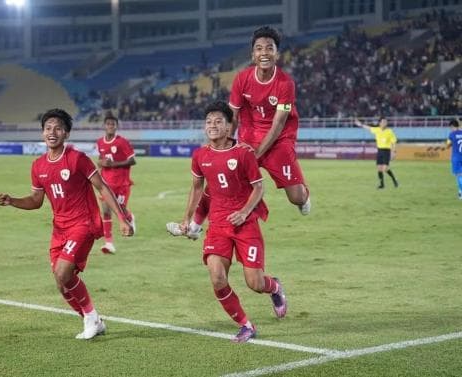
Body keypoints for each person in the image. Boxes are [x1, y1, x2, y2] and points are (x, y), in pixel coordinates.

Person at [0, 108, 133, 340]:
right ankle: (94, 321)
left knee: (63, 272)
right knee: (61, 283)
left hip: (84, 224)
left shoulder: (77, 159)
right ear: (42, 133)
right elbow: (36, 201)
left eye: (58, 128)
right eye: (48, 128)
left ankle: (90, 318)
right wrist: (13, 201)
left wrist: (122, 218)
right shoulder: (38, 166)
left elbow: (102, 187)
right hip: (60, 229)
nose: (52, 132)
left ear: (66, 134)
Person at [167, 26, 310, 240]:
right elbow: (233, 117)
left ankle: (305, 196)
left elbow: (279, 123)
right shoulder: (242, 79)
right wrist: (225, 146)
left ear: (276, 54)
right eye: (259, 49)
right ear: (253, 54)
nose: (264, 53)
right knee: (221, 177)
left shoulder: (285, 83)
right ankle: (194, 226)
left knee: (296, 198)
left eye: (269, 48)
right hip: (249, 138)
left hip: (280, 140)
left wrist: (258, 153)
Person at [173, 101, 287, 343]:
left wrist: (245, 212)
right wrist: (188, 220)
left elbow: (259, 188)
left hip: (245, 224)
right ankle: (246, 325)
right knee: (217, 277)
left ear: (229, 127)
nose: (212, 125)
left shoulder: (244, 153)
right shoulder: (200, 155)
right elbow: (197, 190)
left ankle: (274, 287)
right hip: (218, 226)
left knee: (255, 283)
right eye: (208, 122)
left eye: (218, 121)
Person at [95, 113, 137, 254]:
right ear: (105, 126)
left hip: (121, 182)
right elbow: (100, 160)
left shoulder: (122, 142)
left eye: (113, 124)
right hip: (106, 183)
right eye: (108, 124)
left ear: (116, 126)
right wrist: (102, 163)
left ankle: (130, 218)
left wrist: (114, 164)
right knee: (106, 211)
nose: (110, 126)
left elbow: (132, 160)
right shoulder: (100, 142)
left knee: (121, 209)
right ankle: (109, 243)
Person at [354, 117, 399, 189]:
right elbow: (368, 128)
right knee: (379, 168)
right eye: (383, 122)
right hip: (380, 151)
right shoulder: (377, 130)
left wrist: (394, 152)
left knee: (385, 169)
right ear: (380, 123)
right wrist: (360, 124)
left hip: (386, 151)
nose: (385, 123)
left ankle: (395, 180)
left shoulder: (389, 131)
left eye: (386, 122)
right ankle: (382, 185)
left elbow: (393, 142)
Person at [446, 119, 462, 199]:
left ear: (452, 126)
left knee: (459, 175)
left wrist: (451, 143)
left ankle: (461, 193)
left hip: (456, 157)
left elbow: (448, 145)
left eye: (450, 127)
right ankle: (460, 192)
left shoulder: (452, 134)